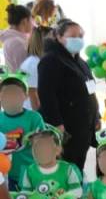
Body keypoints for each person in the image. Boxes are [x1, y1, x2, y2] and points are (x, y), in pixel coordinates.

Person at [36, 19, 99, 172]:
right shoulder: (50, 60)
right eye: (72, 36)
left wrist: (97, 116)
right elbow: (46, 95)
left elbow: (91, 91)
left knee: (78, 167)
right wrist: (56, 124)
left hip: (84, 125)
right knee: (66, 169)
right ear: (58, 36)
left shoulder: (80, 62)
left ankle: (77, 194)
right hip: (66, 128)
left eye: (81, 36)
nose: (78, 40)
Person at [0, 71, 45, 188]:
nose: (11, 98)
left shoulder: (34, 117)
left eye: (15, 94)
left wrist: (33, 140)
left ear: (25, 96)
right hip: (8, 174)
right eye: (6, 94)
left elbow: (44, 142)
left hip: (32, 173)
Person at [1, 4, 32, 73]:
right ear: (24, 21)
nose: (32, 23)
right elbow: (24, 71)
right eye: (31, 19)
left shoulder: (13, 38)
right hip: (19, 82)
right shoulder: (18, 43)